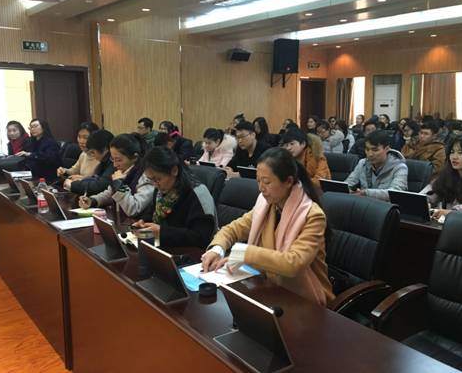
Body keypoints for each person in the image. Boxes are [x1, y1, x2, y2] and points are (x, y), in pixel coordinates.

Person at [201, 147, 334, 306]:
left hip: (304, 295)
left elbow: (294, 263)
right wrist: (217, 249)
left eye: (267, 182)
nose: (261, 188)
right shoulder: (267, 204)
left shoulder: (312, 215)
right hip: (268, 286)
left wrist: (244, 254)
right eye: (258, 181)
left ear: (288, 181)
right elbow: (233, 229)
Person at [133, 147, 217, 249]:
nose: (155, 185)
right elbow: (152, 211)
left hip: (192, 253)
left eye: (157, 179)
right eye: (151, 180)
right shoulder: (162, 188)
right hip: (165, 245)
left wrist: (162, 232)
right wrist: (143, 222)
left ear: (174, 171)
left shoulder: (198, 193)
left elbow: (201, 238)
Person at [79, 134, 154, 218]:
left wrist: (120, 186)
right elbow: (110, 193)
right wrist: (93, 200)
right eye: (112, 159)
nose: (115, 165)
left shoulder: (146, 175)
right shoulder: (123, 171)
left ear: (134, 157)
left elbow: (134, 209)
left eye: (118, 160)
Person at [345, 130, 408, 201]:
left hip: (385, 206)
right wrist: (349, 190)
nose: (370, 154)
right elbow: (348, 184)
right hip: (363, 204)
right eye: (367, 149)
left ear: (387, 149)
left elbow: (395, 194)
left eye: (375, 150)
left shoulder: (400, 167)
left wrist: (365, 193)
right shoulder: (363, 163)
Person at [69, 130, 115, 195]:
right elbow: (97, 179)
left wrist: (72, 185)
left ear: (105, 149)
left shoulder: (113, 162)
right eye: (79, 137)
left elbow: (98, 187)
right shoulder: (104, 160)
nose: (93, 156)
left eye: (93, 152)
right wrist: (84, 179)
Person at [15, 118, 60, 182]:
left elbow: (49, 158)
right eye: (31, 127)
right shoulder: (31, 142)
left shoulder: (51, 142)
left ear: (43, 127)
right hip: (33, 173)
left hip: (47, 175)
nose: (33, 129)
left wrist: (30, 154)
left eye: (35, 126)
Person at [58, 122, 100, 191]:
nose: (81, 141)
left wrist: (83, 178)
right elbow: (74, 171)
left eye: (85, 137)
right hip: (79, 190)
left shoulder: (100, 157)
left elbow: (99, 182)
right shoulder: (83, 154)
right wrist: (64, 171)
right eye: (79, 137)